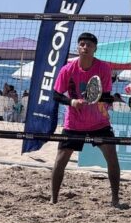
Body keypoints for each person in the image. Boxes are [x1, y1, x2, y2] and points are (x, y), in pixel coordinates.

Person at [51, 32, 120, 207]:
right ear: (77, 47)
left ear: (95, 48)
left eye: (89, 45)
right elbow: (56, 95)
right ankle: (53, 199)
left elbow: (106, 95)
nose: (85, 47)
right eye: (82, 44)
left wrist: (99, 99)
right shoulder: (67, 69)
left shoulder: (103, 68)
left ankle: (115, 200)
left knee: (112, 159)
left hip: (99, 122)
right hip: (74, 123)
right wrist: (72, 102)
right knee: (60, 160)